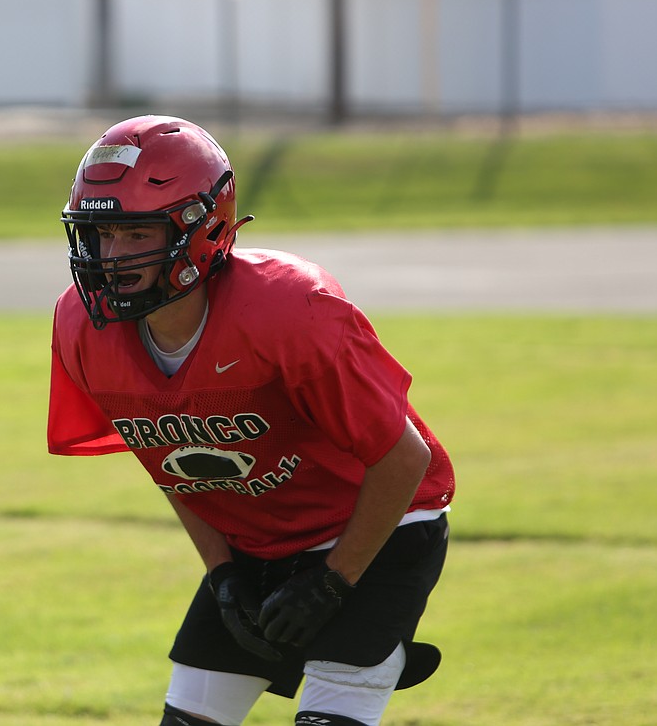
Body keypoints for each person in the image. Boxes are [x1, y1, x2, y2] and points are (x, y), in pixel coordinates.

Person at [47, 115, 454, 726]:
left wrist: (333, 582)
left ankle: (370, 652)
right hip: (255, 541)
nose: (112, 256)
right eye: (100, 233)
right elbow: (174, 467)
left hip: (379, 527)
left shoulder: (291, 309)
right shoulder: (82, 327)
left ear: (201, 229)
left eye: (136, 233)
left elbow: (404, 457)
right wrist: (224, 575)